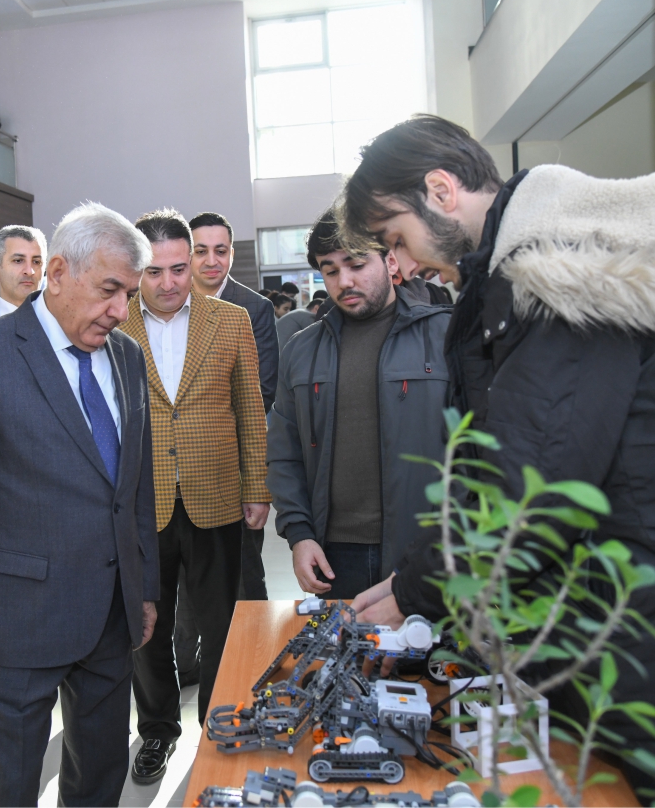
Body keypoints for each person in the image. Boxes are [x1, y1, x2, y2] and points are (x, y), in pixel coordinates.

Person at [337, 114, 655, 795]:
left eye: (396, 236)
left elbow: (526, 495)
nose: (398, 263)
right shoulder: (516, 282)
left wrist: (414, 591)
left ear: (441, 190)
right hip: (630, 635)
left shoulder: (567, 277)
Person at [0, 202, 158, 808]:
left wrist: (146, 589)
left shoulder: (128, 357)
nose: (119, 310)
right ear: (56, 273)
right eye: (109, 289)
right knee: (15, 783)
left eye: (128, 294)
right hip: (18, 624)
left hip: (111, 613)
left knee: (101, 772)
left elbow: (137, 486)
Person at [121, 209, 269, 785]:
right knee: (147, 627)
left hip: (216, 496)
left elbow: (250, 410)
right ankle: (157, 730)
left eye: (178, 269)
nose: (169, 283)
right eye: (154, 271)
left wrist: (257, 485)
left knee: (220, 621)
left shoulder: (230, 321)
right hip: (139, 501)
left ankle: (217, 727)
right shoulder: (115, 323)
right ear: (138, 271)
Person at [267, 209, 451, 600]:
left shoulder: (444, 336)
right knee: (348, 660)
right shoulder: (301, 350)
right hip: (336, 555)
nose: (344, 281)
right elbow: (285, 452)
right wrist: (299, 534)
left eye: (355, 263)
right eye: (330, 270)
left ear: (390, 260)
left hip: (426, 550)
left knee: (429, 661)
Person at [189, 211, 277, 603]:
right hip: (177, 475)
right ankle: (192, 667)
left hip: (232, 464)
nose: (211, 260)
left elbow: (263, 389)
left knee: (243, 578)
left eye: (220, 251)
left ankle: (252, 661)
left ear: (231, 252)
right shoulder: (168, 303)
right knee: (188, 589)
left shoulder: (252, 307)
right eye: (201, 250)